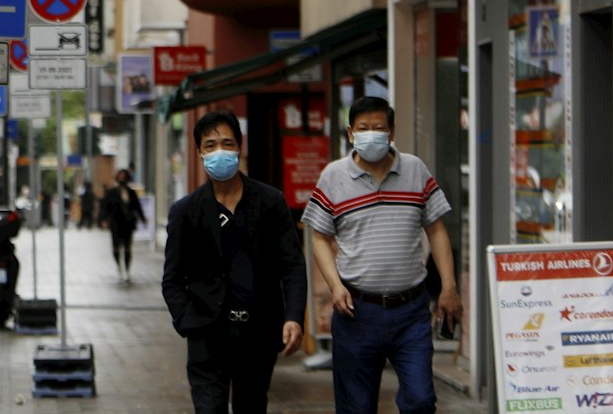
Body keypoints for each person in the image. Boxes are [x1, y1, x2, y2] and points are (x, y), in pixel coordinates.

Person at [304, 97, 459, 414]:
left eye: (379, 128)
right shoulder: (333, 177)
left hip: (411, 311)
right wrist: (335, 286)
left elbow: (437, 230)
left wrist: (449, 287)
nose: (371, 134)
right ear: (350, 132)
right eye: (364, 128)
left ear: (391, 132)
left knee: (420, 401)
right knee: (356, 407)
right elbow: (319, 237)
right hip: (356, 311)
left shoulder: (415, 170)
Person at [160, 111, 304, 414]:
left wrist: (293, 316)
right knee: (209, 408)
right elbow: (172, 278)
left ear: (240, 147)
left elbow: (292, 265)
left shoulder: (270, 202)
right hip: (207, 334)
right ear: (199, 152)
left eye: (227, 143)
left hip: (258, 333)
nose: (219, 151)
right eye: (210, 145)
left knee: (251, 406)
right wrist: (188, 322)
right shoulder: (186, 211)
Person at [99, 168, 147, 282]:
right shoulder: (112, 192)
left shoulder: (131, 192)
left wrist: (143, 219)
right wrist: (103, 219)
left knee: (127, 248)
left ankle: (127, 269)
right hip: (115, 224)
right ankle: (119, 267)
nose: (122, 179)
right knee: (116, 247)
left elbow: (137, 207)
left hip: (128, 224)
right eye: (120, 176)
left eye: (124, 177)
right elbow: (105, 207)